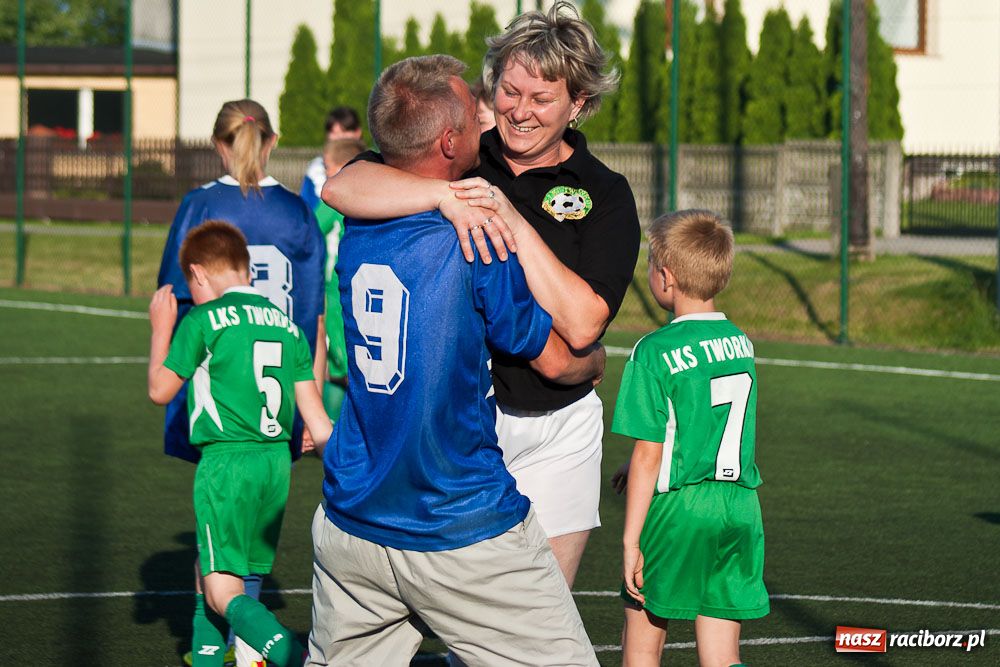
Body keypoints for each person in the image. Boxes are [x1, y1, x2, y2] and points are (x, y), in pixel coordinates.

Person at [322, 0, 641, 587]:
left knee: (539, 605)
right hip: (458, 426)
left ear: (578, 103)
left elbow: (583, 323)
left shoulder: (605, 193)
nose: (519, 111)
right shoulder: (461, 153)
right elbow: (343, 187)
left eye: (541, 98)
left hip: (557, 429)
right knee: (445, 609)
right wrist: (444, 196)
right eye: (509, 91)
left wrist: (509, 220)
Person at [306, 55, 601, 666]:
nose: (488, 117)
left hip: (351, 519)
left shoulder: (361, 219)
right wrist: (592, 365)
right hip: (455, 519)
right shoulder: (472, 233)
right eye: (474, 112)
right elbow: (550, 355)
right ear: (449, 142)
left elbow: (344, 184)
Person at [157, 98, 325, 667]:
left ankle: (242, 646)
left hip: (218, 397)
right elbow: (312, 317)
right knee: (244, 537)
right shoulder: (298, 211)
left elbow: (174, 297)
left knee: (217, 524)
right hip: (279, 399)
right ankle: (216, 646)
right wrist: (310, 406)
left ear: (217, 145)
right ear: (272, 141)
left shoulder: (201, 205)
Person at [612, 210, 768, 667]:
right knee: (722, 653)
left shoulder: (653, 350)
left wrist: (630, 541)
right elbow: (703, 424)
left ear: (667, 276)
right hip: (740, 506)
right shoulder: (740, 341)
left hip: (680, 510)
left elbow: (649, 453)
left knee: (643, 641)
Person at [312, 138, 366, 423]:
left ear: (344, 168)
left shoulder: (332, 201)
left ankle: (334, 425)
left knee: (340, 361)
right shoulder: (370, 198)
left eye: (327, 167)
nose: (325, 174)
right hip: (355, 288)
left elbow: (309, 229)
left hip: (334, 291)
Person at [300, 107, 363, 213]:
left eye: (345, 131)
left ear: (358, 132)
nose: (340, 137)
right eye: (334, 132)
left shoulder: (372, 165)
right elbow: (306, 207)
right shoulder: (316, 171)